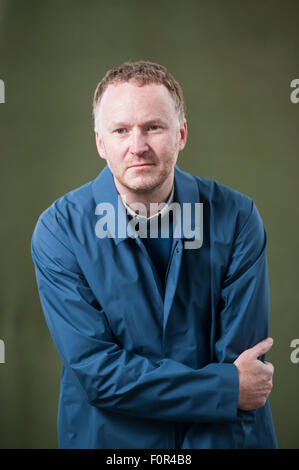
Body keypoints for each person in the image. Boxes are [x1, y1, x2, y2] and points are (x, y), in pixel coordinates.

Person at [31, 61, 277, 449]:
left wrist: (234, 389)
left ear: (181, 134)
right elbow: (100, 375)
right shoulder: (60, 231)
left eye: (153, 127)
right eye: (121, 130)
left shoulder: (237, 218)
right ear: (100, 143)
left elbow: (245, 370)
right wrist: (225, 389)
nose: (138, 146)